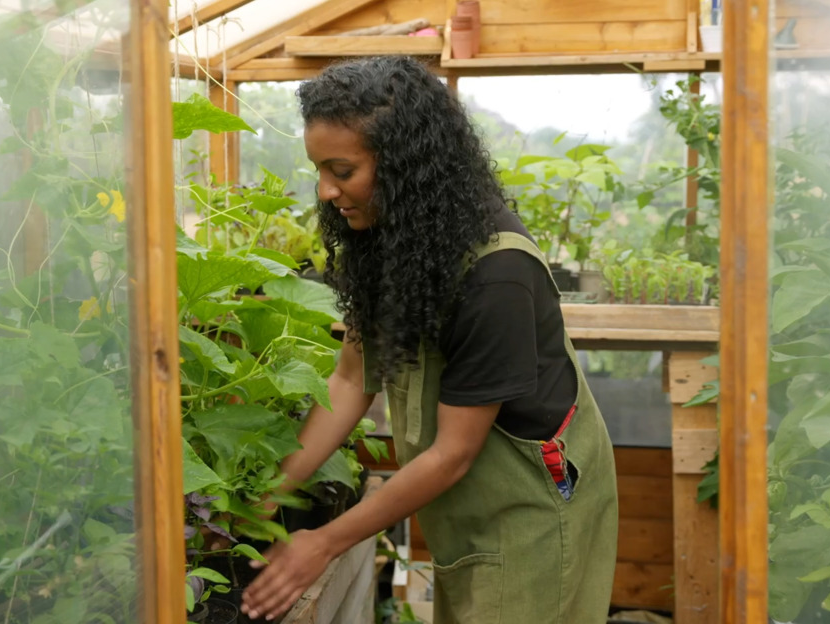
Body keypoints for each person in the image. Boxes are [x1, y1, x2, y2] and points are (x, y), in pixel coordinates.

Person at [239, 56, 619, 624]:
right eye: (319, 169)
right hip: (468, 512)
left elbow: (452, 454)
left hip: (532, 517)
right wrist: (269, 494)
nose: (325, 190)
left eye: (342, 170)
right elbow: (350, 379)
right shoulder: (395, 237)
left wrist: (322, 542)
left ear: (404, 165)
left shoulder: (497, 274)